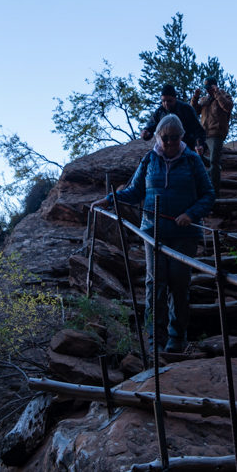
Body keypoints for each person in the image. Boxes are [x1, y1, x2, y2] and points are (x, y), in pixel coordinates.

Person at [94, 113, 214, 353]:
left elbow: (208, 194)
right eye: (164, 137)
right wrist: (109, 200)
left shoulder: (192, 160)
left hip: (184, 235)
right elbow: (135, 191)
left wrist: (190, 214)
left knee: (179, 285)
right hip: (153, 232)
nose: (168, 142)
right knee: (154, 285)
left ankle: (176, 338)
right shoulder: (149, 159)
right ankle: (153, 341)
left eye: (173, 137)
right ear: (157, 137)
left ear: (181, 137)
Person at [190, 77, 234, 193]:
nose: (207, 90)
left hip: (216, 133)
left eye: (209, 88)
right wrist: (196, 97)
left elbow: (227, 107)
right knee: (197, 157)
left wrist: (217, 93)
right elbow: (193, 111)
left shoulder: (224, 96)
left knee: (214, 162)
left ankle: (214, 192)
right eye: (206, 89)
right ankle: (200, 187)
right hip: (203, 134)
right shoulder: (205, 99)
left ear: (214, 86)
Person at [142, 84, 206, 155]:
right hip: (167, 148)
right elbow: (150, 126)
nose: (166, 103)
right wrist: (146, 133)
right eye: (163, 101)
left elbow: (198, 130)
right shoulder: (160, 111)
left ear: (175, 98)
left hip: (186, 146)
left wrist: (199, 144)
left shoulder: (186, 109)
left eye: (169, 101)